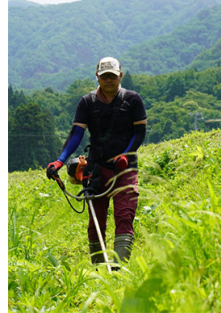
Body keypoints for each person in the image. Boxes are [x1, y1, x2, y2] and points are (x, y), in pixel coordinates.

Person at [46, 57, 147, 269]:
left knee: (124, 217)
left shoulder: (133, 99)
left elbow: (139, 133)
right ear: (97, 77)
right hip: (96, 168)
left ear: (120, 75)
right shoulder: (87, 102)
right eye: (104, 76)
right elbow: (76, 134)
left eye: (112, 76)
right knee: (95, 225)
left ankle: (119, 271)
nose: (108, 80)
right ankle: (100, 271)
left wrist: (127, 155)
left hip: (124, 169)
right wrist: (60, 161)